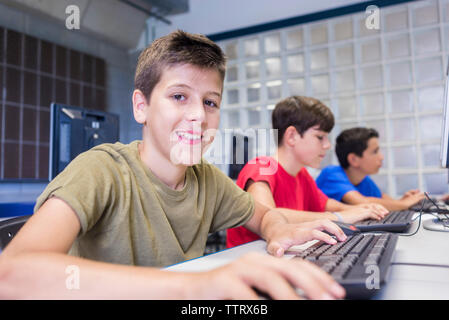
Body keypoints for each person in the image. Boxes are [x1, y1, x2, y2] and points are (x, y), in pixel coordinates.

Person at [0, 30, 346, 300]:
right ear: (141, 106)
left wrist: (277, 229)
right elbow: (11, 274)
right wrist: (193, 288)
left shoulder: (206, 179)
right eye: (179, 96)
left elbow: (265, 214)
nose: (198, 115)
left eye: (210, 102)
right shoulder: (100, 170)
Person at [227, 96, 388, 248]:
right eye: (320, 137)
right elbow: (268, 216)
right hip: (254, 263)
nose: (327, 145)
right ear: (291, 136)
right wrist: (340, 218)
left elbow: (327, 205)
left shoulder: (301, 174)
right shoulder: (261, 167)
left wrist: (363, 209)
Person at [316, 127, 425, 211]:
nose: (381, 157)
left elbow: (383, 200)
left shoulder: (364, 180)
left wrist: (403, 201)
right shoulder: (331, 174)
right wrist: (404, 204)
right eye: (375, 152)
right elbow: (361, 202)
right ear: (354, 159)